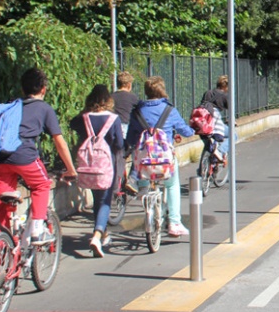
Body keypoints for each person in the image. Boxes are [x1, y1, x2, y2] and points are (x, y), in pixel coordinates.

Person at [0, 68, 78, 241]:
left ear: (22, 89)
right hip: (24, 157)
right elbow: (59, 142)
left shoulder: (11, 106)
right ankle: (37, 227)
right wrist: (71, 169)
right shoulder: (44, 108)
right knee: (42, 184)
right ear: (43, 89)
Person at [125, 75, 195, 237]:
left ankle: (143, 189)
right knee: (171, 185)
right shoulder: (170, 110)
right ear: (162, 90)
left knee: (143, 173)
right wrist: (191, 131)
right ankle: (174, 223)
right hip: (164, 160)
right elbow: (185, 131)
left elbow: (130, 138)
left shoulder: (137, 112)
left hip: (143, 161)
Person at [70, 84, 123, 257]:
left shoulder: (84, 118)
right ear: (108, 100)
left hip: (88, 165)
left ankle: (103, 233)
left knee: (96, 199)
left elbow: (73, 124)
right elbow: (119, 144)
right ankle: (97, 234)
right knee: (106, 200)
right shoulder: (112, 118)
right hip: (107, 165)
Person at [111, 71, 140, 193]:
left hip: (113, 128)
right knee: (137, 151)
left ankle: (113, 182)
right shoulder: (133, 98)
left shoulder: (111, 96)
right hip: (127, 128)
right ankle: (132, 178)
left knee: (115, 154)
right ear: (128, 85)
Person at [199, 75, 230, 162]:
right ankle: (220, 151)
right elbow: (231, 111)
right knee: (233, 135)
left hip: (202, 124)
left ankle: (201, 170)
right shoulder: (225, 96)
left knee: (207, 145)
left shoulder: (207, 93)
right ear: (225, 86)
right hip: (214, 123)